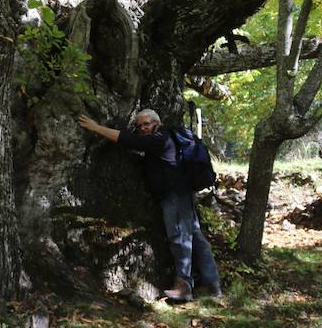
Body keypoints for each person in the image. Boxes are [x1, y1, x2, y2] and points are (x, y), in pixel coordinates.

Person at [77, 109, 221, 301]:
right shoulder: (160, 141)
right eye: (140, 126)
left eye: (147, 124)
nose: (143, 128)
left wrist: (96, 128)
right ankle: (213, 285)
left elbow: (129, 140)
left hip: (175, 195)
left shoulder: (161, 138)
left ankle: (184, 286)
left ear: (157, 122)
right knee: (195, 237)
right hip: (180, 194)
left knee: (180, 238)